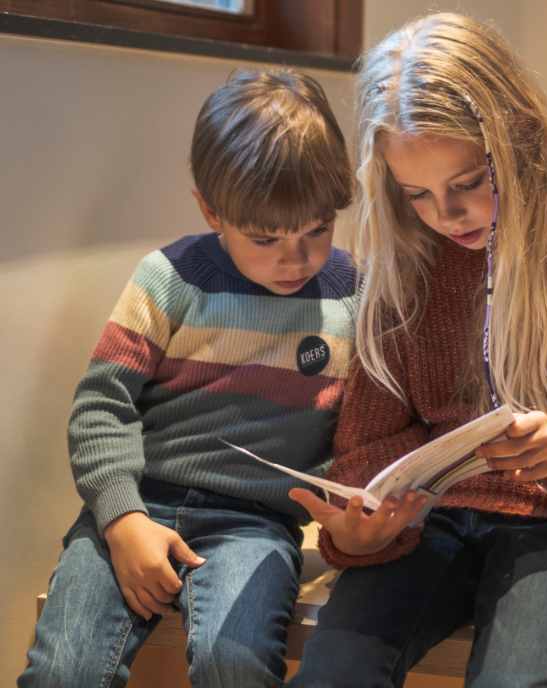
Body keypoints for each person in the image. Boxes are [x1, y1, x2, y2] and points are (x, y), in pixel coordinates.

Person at [286, 13, 547, 688]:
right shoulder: (402, 268)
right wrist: (359, 532)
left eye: (467, 182)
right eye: (416, 194)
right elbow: (367, 449)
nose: (446, 215)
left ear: (521, 138)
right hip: (429, 523)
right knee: (333, 670)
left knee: (517, 678)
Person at [20, 68, 357, 688]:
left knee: (236, 663)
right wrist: (122, 521)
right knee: (64, 671)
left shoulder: (352, 299)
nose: (296, 257)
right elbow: (100, 406)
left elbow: (361, 432)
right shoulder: (169, 278)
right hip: (135, 502)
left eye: (317, 229)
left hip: (254, 526)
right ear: (210, 210)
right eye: (265, 237)